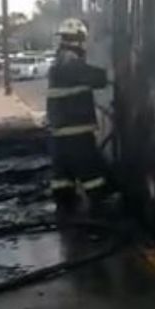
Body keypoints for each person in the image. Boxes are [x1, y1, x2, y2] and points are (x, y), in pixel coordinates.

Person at [46, 18, 110, 216]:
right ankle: (101, 217)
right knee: (92, 177)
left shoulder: (58, 62)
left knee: (62, 178)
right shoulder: (71, 62)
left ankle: (66, 217)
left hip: (59, 136)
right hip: (77, 135)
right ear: (80, 40)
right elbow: (98, 78)